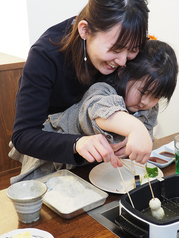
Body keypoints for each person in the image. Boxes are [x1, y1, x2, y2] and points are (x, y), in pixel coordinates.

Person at [9, 39, 178, 183]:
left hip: (83, 172)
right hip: (48, 162)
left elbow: (145, 137)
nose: (146, 102)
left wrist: (132, 146)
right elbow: (99, 111)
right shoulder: (102, 90)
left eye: (156, 97)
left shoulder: (148, 106)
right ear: (123, 73)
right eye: (142, 92)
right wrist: (136, 128)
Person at [10, 0, 149, 170]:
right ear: (85, 30)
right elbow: (23, 136)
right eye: (116, 49)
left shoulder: (124, 42)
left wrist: (131, 132)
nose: (122, 61)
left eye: (133, 50)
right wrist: (77, 143)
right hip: (53, 151)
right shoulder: (45, 56)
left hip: (104, 160)